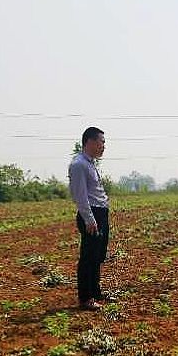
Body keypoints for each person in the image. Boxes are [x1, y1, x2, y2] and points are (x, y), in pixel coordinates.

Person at [68, 127, 109, 310]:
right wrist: (89, 219)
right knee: (88, 257)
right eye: (102, 142)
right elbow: (80, 196)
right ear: (90, 142)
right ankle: (86, 298)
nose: (103, 146)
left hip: (100, 213)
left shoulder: (90, 163)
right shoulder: (79, 165)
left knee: (97, 256)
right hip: (91, 214)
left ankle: (96, 292)